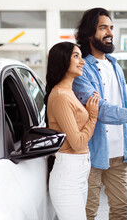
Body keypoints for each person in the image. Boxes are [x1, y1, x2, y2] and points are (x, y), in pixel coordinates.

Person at [72, 8, 127, 220]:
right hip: (92, 152)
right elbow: (99, 108)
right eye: (103, 28)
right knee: (87, 212)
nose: (109, 32)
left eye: (111, 27)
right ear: (88, 34)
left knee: (121, 209)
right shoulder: (81, 69)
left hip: (120, 151)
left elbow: (122, 102)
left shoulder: (115, 65)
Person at [44, 41, 100, 220]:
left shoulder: (69, 93)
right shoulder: (60, 95)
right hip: (68, 175)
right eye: (76, 56)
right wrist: (93, 116)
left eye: (81, 56)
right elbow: (77, 143)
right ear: (62, 61)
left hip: (78, 172)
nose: (82, 61)